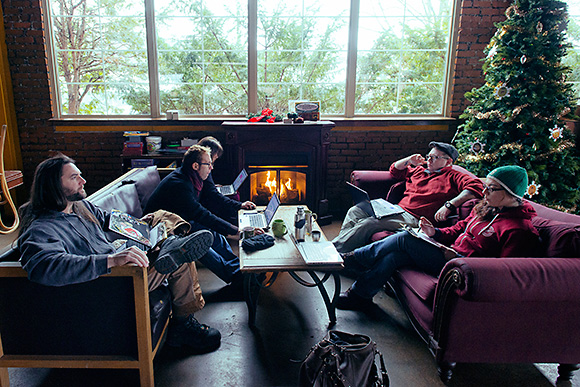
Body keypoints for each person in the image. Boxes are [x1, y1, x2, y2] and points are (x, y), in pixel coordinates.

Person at [18, 154, 222, 353]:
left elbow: (109, 218)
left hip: (119, 261)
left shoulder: (79, 206)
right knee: (180, 259)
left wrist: (139, 227)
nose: (83, 181)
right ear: (53, 185)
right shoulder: (41, 228)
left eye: (80, 175)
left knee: (160, 217)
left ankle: (166, 242)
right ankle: (183, 326)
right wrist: (110, 260)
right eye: (74, 177)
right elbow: (43, 266)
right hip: (112, 283)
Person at [336, 165, 541, 311]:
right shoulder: (487, 208)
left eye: (492, 188)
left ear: (511, 194)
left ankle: (352, 258)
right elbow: (459, 228)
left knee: (405, 238)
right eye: (486, 186)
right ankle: (359, 295)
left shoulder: (520, 230)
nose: (484, 191)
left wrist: (463, 260)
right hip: (448, 254)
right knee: (395, 255)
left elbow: (506, 271)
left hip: (462, 268)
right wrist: (435, 233)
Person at [332, 142, 485, 253]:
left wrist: (449, 205)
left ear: (449, 161)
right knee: (355, 210)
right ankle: (343, 249)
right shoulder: (419, 171)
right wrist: (409, 160)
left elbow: (477, 187)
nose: (429, 160)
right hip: (395, 209)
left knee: (370, 223)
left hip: (414, 217)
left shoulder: (453, 175)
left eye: (435, 157)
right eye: (429, 156)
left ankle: (333, 252)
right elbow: (395, 171)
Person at [144, 144, 257, 289]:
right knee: (198, 244)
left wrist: (237, 223)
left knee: (213, 233)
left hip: (180, 223)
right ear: (196, 166)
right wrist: (238, 232)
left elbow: (202, 213)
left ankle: (239, 269)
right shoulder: (180, 185)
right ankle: (235, 278)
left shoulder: (190, 177)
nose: (212, 168)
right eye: (208, 164)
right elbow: (201, 214)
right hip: (160, 232)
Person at [197, 136, 257, 222]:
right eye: (216, 154)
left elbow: (207, 188)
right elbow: (212, 194)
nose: (217, 157)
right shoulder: (205, 169)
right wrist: (240, 205)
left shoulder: (203, 167)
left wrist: (212, 186)